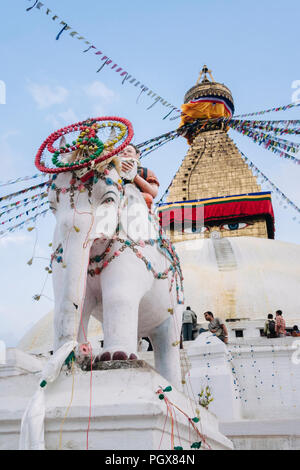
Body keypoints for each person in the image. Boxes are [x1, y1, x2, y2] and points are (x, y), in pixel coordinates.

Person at [119, 144, 159, 210]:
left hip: (139, 204)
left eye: (129, 151)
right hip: (116, 199)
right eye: (121, 152)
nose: (125, 153)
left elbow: (153, 193)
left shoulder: (145, 171)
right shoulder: (113, 171)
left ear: (137, 155)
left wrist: (135, 177)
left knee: (148, 198)